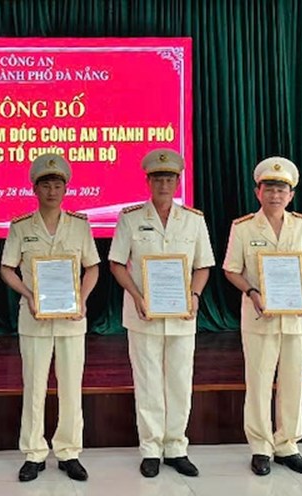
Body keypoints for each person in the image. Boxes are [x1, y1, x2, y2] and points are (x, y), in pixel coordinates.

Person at [108, 149, 215, 478]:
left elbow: (203, 266)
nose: (163, 184)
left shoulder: (193, 220)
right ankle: (151, 448)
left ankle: (176, 447)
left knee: (180, 382)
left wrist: (195, 295)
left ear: (178, 182)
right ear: (148, 181)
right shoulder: (131, 218)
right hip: (143, 314)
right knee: (148, 382)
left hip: (182, 316)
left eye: (169, 178)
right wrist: (137, 295)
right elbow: (116, 263)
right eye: (157, 178)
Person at [0, 153, 100, 483]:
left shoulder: (80, 225)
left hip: (72, 319)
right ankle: (34, 452)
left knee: (72, 386)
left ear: (66, 189)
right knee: (35, 386)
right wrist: (28, 295)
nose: (52, 191)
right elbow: (7, 268)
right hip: (34, 318)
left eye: (58, 185)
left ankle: (69, 451)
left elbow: (92, 267)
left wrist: (82, 300)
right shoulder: (21, 227)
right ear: (35, 189)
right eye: (46, 185)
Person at [223, 157, 302, 476]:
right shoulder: (243, 227)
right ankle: (261, 447)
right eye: (269, 189)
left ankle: (287, 445)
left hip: (295, 318)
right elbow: (231, 269)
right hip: (259, 317)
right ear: (258, 192)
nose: (275, 195)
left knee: (294, 380)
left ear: (290, 195)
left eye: (282, 190)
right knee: (259, 382)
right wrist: (252, 292)